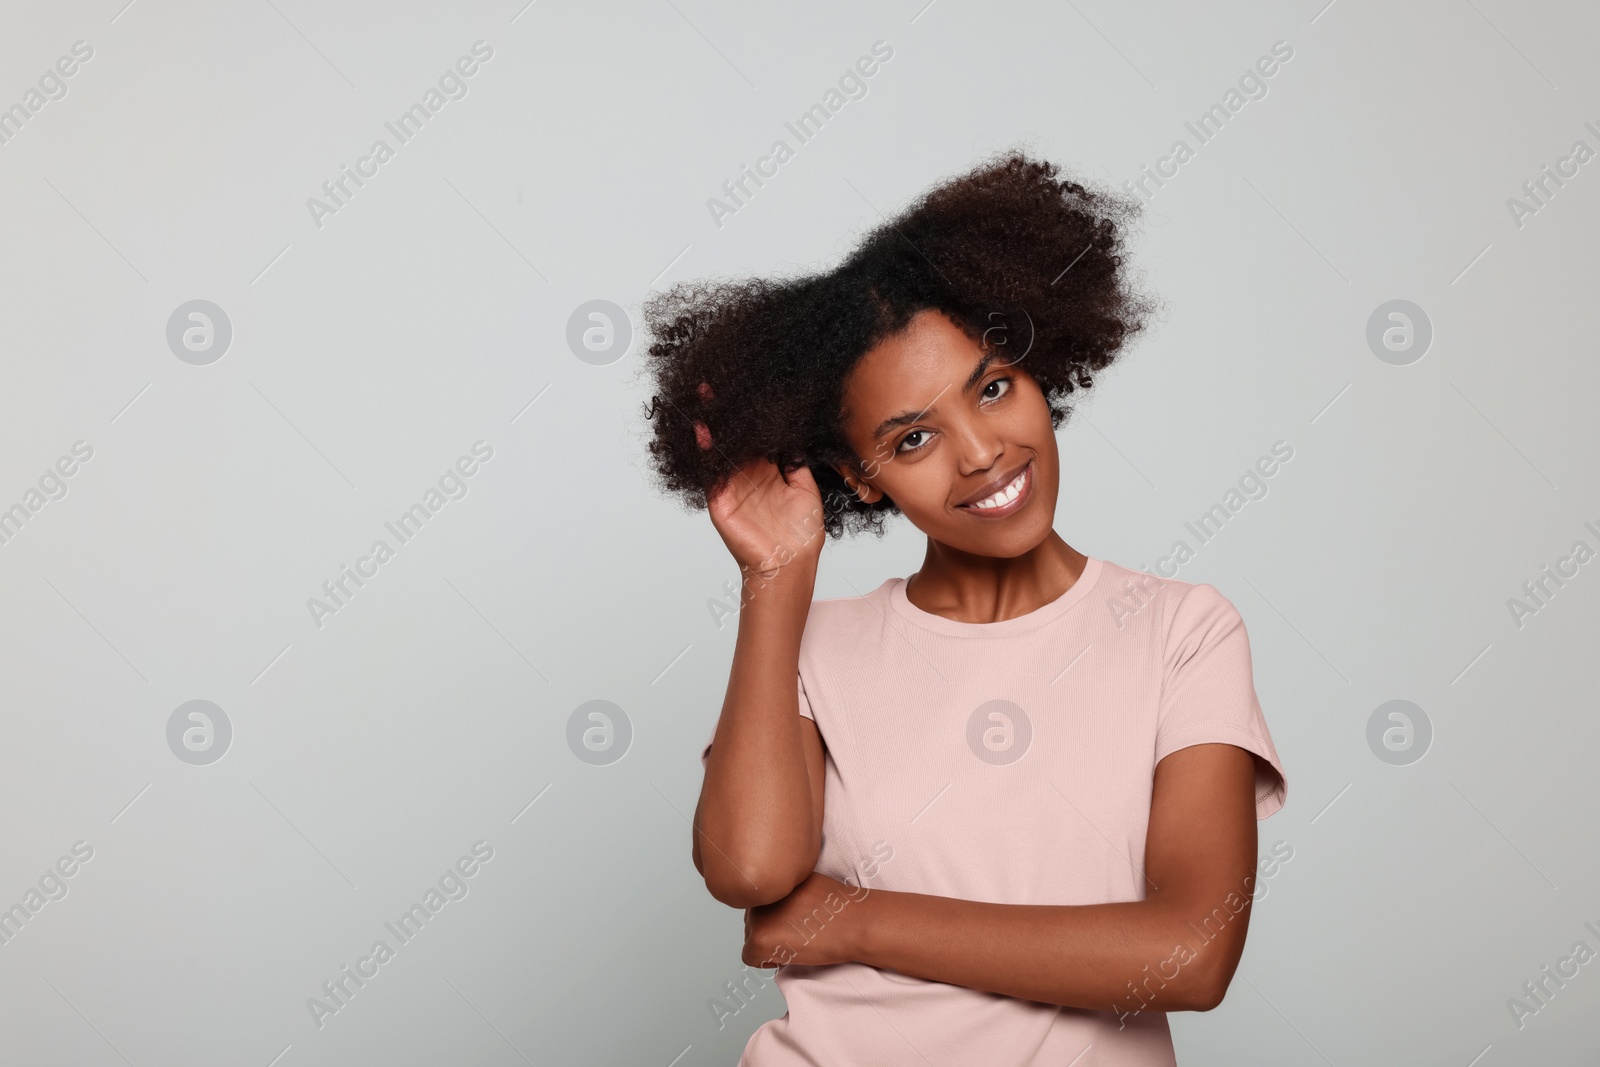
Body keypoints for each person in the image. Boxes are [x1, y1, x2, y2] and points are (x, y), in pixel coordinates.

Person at [638, 148, 1288, 1065]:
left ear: (1040, 373)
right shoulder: (820, 645)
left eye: (992, 387)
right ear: (859, 478)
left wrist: (856, 921)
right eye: (913, 439)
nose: (981, 452)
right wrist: (777, 574)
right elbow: (748, 869)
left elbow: (1189, 952)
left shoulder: (1181, 632)